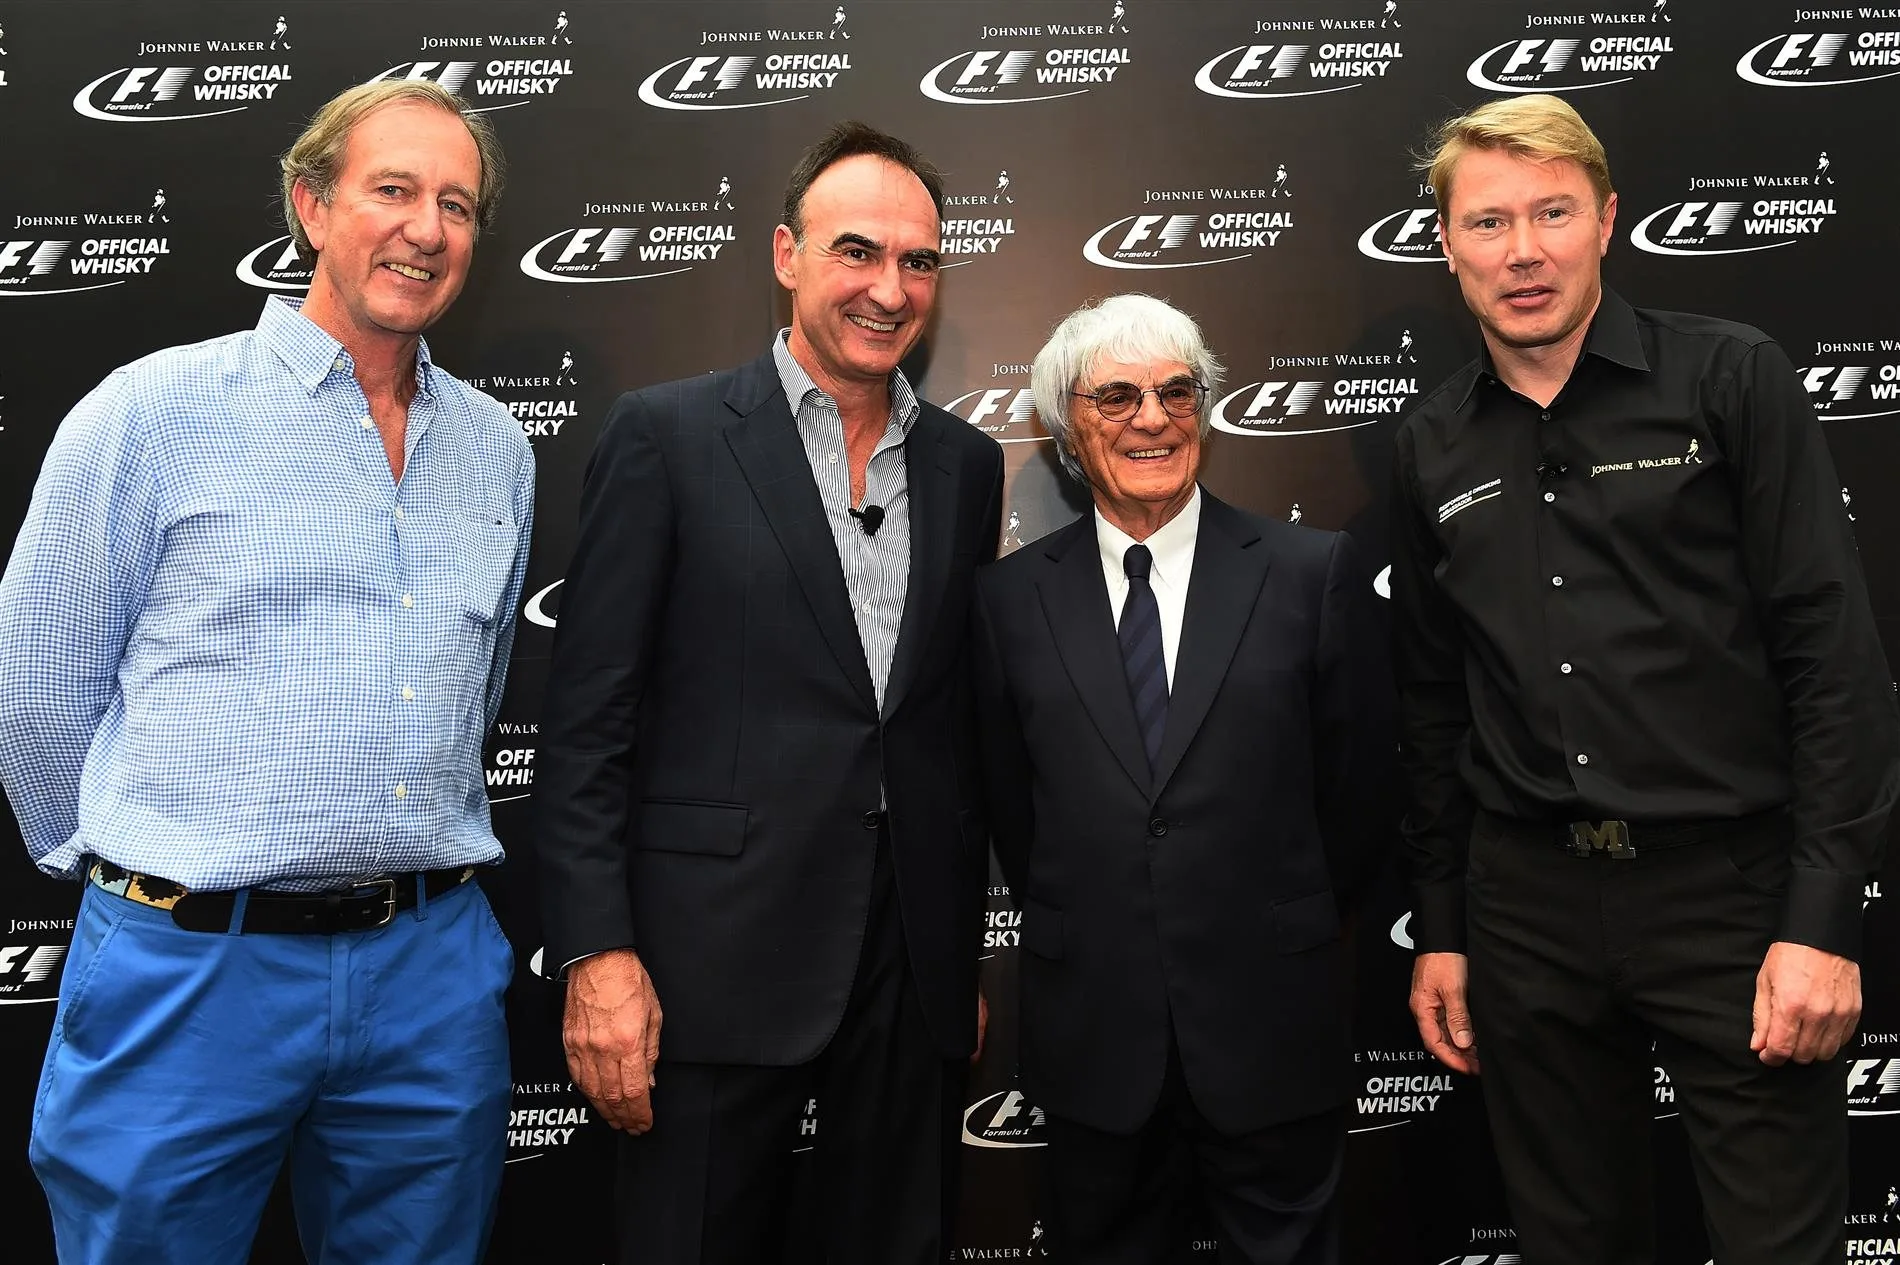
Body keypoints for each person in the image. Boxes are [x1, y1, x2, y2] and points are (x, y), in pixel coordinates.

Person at [0, 79, 530, 1265]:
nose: (426, 227)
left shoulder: (497, 450)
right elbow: (38, 689)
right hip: (188, 974)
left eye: (456, 203)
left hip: (426, 973)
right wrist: (141, 884)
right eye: (391, 189)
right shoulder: (153, 412)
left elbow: (475, 687)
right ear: (310, 204)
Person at [1391, 93, 1899, 1265]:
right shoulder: (1428, 441)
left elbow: (1831, 653)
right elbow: (1431, 701)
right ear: (1447, 245)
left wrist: (1821, 923)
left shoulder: (1729, 377)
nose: (1522, 251)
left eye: (1551, 213)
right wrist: (1448, 926)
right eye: (1487, 222)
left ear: (1607, 220)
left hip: (1726, 891)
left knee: (1779, 1246)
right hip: (1527, 905)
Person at [536, 120, 1003, 1265]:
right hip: (706, 962)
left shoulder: (964, 462)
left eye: (918, 262)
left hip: (906, 967)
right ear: (787, 253)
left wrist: (955, 956)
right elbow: (589, 720)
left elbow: (942, 723)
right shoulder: (667, 435)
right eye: (858, 252)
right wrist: (598, 954)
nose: (888, 289)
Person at [973, 294, 1394, 1265]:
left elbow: (1359, 791)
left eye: (1176, 391)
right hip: (1094, 1036)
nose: (1152, 418)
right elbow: (1011, 809)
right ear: (1065, 423)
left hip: (1272, 1024)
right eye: (1116, 396)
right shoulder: (1006, 601)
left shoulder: (1309, 572)